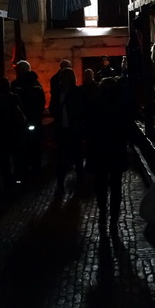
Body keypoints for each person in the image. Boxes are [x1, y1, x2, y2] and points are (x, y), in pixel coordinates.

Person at [85, 76, 130, 228]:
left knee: (101, 184)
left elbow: (90, 128)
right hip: (116, 149)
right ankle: (114, 217)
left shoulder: (94, 104)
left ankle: (103, 211)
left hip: (100, 149)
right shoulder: (121, 105)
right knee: (116, 185)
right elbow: (126, 128)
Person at [49, 66, 85, 197]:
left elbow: (81, 111)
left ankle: (78, 182)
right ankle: (60, 184)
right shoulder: (59, 91)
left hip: (73, 129)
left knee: (76, 157)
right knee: (62, 159)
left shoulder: (76, 92)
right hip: (63, 130)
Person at [0, 77, 25, 189]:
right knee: (16, 158)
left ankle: (7, 182)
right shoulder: (14, 98)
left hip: (1, 134)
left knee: (4, 160)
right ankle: (18, 181)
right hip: (14, 132)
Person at [11, 60, 46, 180]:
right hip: (33, 120)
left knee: (25, 147)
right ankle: (35, 170)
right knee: (34, 146)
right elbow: (42, 101)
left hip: (24, 121)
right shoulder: (36, 84)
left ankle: (26, 171)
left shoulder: (16, 85)